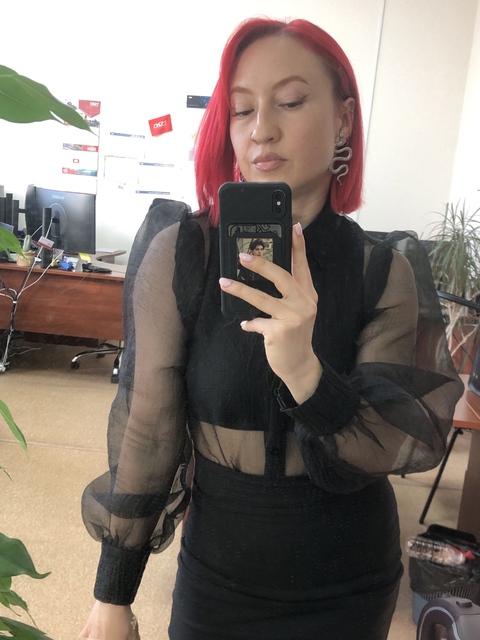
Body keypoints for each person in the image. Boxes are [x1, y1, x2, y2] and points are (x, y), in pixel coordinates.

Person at [79, 16, 463, 640]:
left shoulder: (382, 269)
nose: (261, 129)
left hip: (349, 580)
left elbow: (393, 444)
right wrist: (113, 594)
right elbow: (148, 424)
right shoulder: (185, 254)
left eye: (289, 101)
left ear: (343, 119)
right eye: (241, 110)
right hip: (218, 577)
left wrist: (306, 371)